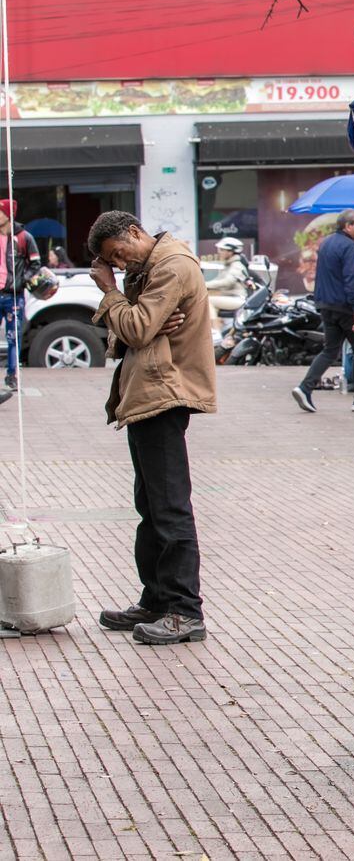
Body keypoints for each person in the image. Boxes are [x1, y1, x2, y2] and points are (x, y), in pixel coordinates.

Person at [86, 211, 216, 645]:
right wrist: (138, 319)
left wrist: (113, 295)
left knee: (170, 506)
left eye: (118, 254)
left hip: (164, 392)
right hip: (144, 396)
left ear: (135, 234)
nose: (119, 266)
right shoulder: (147, 272)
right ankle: (157, 600)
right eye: (112, 263)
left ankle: (184, 611)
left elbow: (137, 329)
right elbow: (122, 337)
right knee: (151, 507)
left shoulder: (172, 266)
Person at [291, 209, 354, 414]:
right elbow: (352, 281)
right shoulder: (350, 247)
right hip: (346, 308)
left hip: (326, 305)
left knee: (330, 350)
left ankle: (305, 388)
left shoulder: (327, 243)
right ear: (347, 226)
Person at [0, 200, 41, 389]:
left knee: (13, 337)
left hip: (13, 295)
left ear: (9, 215)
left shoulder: (24, 237)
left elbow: (35, 265)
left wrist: (22, 280)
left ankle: (12, 376)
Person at [206, 236, 253, 319]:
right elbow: (217, 281)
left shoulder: (236, 265)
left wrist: (204, 285)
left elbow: (227, 282)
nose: (219, 252)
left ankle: (214, 330)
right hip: (229, 297)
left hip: (237, 299)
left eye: (222, 250)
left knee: (207, 301)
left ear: (230, 252)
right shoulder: (228, 265)